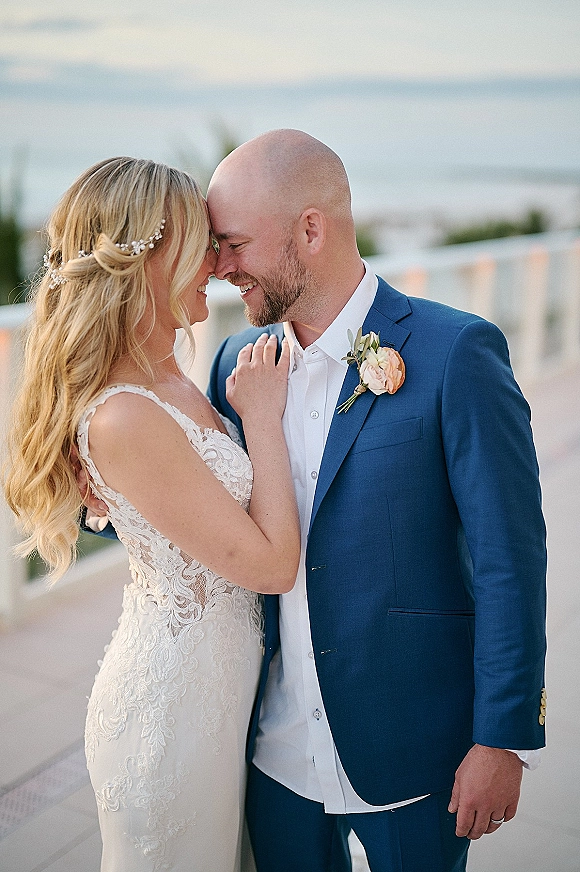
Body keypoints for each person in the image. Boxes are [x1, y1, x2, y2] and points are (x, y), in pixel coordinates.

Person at [203, 129, 547, 872]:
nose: (220, 268)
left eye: (233, 244)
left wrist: (503, 736)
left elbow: (509, 560)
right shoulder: (235, 363)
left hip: (416, 759)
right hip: (274, 759)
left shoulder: (456, 353)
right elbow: (194, 511)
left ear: (311, 230)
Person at [3, 156, 300, 872]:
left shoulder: (166, 373)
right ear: (150, 256)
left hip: (223, 695)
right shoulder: (122, 417)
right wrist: (262, 418)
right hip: (173, 720)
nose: (217, 264)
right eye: (202, 244)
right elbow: (271, 566)